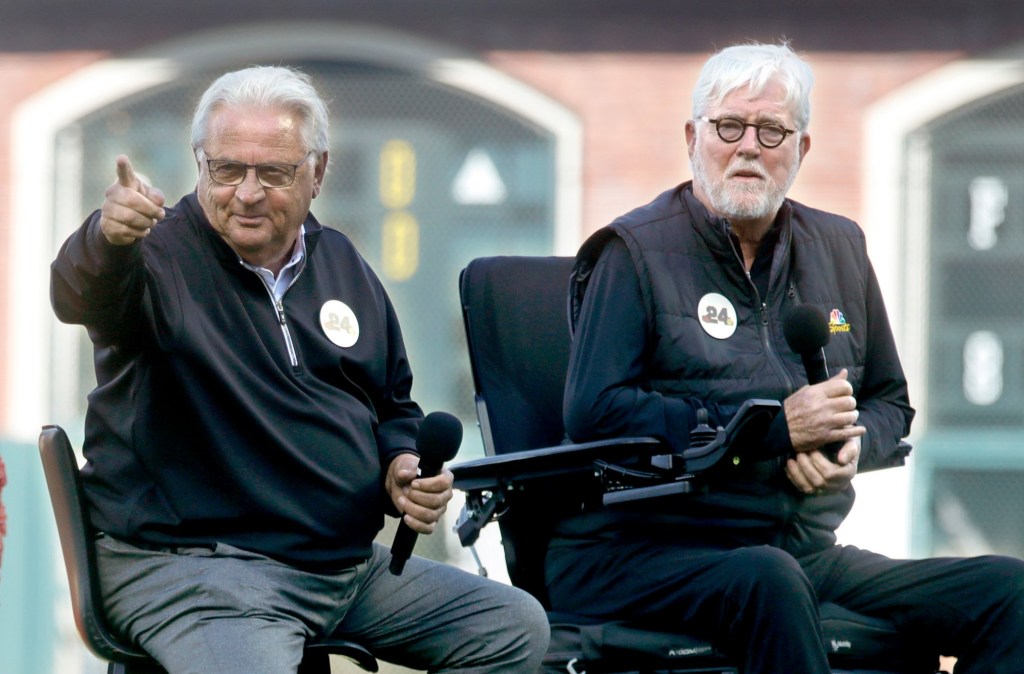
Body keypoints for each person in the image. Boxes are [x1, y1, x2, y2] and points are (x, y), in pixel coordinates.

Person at [50, 65, 548, 674]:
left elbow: (391, 402)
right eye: (227, 169)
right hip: (196, 571)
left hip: (340, 569)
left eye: (274, 173)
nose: (247, 192)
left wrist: (399, 465)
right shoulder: (154, 256)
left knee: (513, 628)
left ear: (318, 171)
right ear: (200, 164)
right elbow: (83, 294)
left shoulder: (341, 261)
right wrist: (107, 238)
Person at [548, 42, 1024, 673]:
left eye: (772, 130)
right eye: (729, 126)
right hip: (637, 551)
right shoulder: (632, 252)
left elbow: (890, 401)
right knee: (766, 580)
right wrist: (769, 433)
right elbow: (596, 411)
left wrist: (851, 446)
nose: (749, 146)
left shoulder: (839, 247)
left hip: (798, 548)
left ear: (801, 150)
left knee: (1008, 592)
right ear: (693, 137)